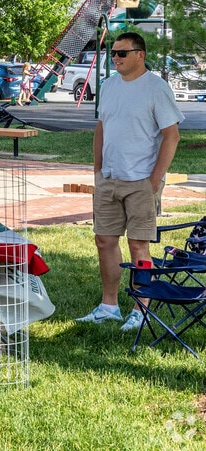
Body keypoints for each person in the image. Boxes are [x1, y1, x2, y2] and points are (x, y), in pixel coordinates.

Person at [77, 31, 183, 331]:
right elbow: (102, 128)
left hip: (141, 181)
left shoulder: (156, 88)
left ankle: (141, 309)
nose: (116, 58)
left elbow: (172, 136)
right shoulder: (110, 86)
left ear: (140, 55)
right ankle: (108, 306)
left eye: (122, 53)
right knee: (104, 241)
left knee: (139, 246)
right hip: (109, 179)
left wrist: (154, 179)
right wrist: (98, 170)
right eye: (113, 53)